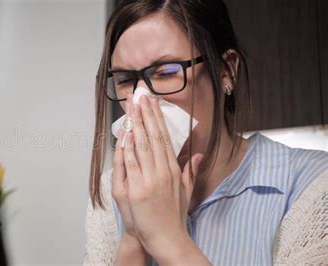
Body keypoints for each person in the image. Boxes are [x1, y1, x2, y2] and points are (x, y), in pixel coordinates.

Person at [84, 0, 328, 265]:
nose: (141, 100)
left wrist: (169, 240)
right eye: (126, 80)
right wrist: (133, 240)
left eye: (166, 72)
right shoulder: (112, 196)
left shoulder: (311, 187)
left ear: (226, 71)